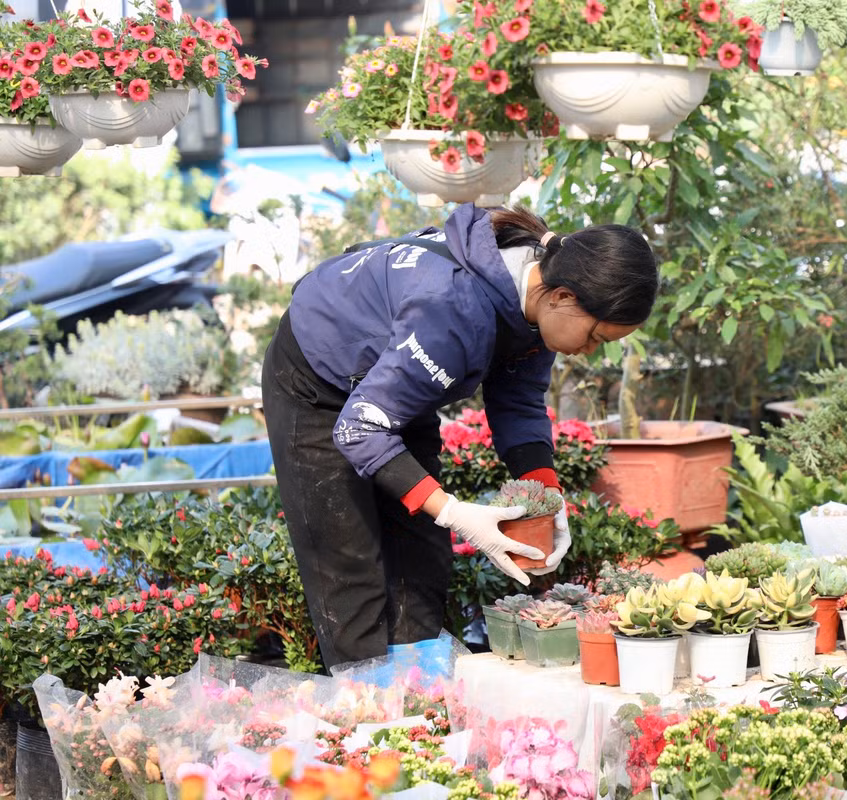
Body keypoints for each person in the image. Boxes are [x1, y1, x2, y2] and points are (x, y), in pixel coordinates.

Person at [260, 203, 659, 667]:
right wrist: (454, 511)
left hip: (395, 385)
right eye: (595, 337)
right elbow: (360, 428)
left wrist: (545, 493)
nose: (589, 352)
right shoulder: (451, 309)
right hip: (317, 384)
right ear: (563, 296)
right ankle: (368, 716)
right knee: (349, 566)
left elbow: (519, 403)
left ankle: (421, 703)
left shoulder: (536, 294)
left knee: (422, 553)